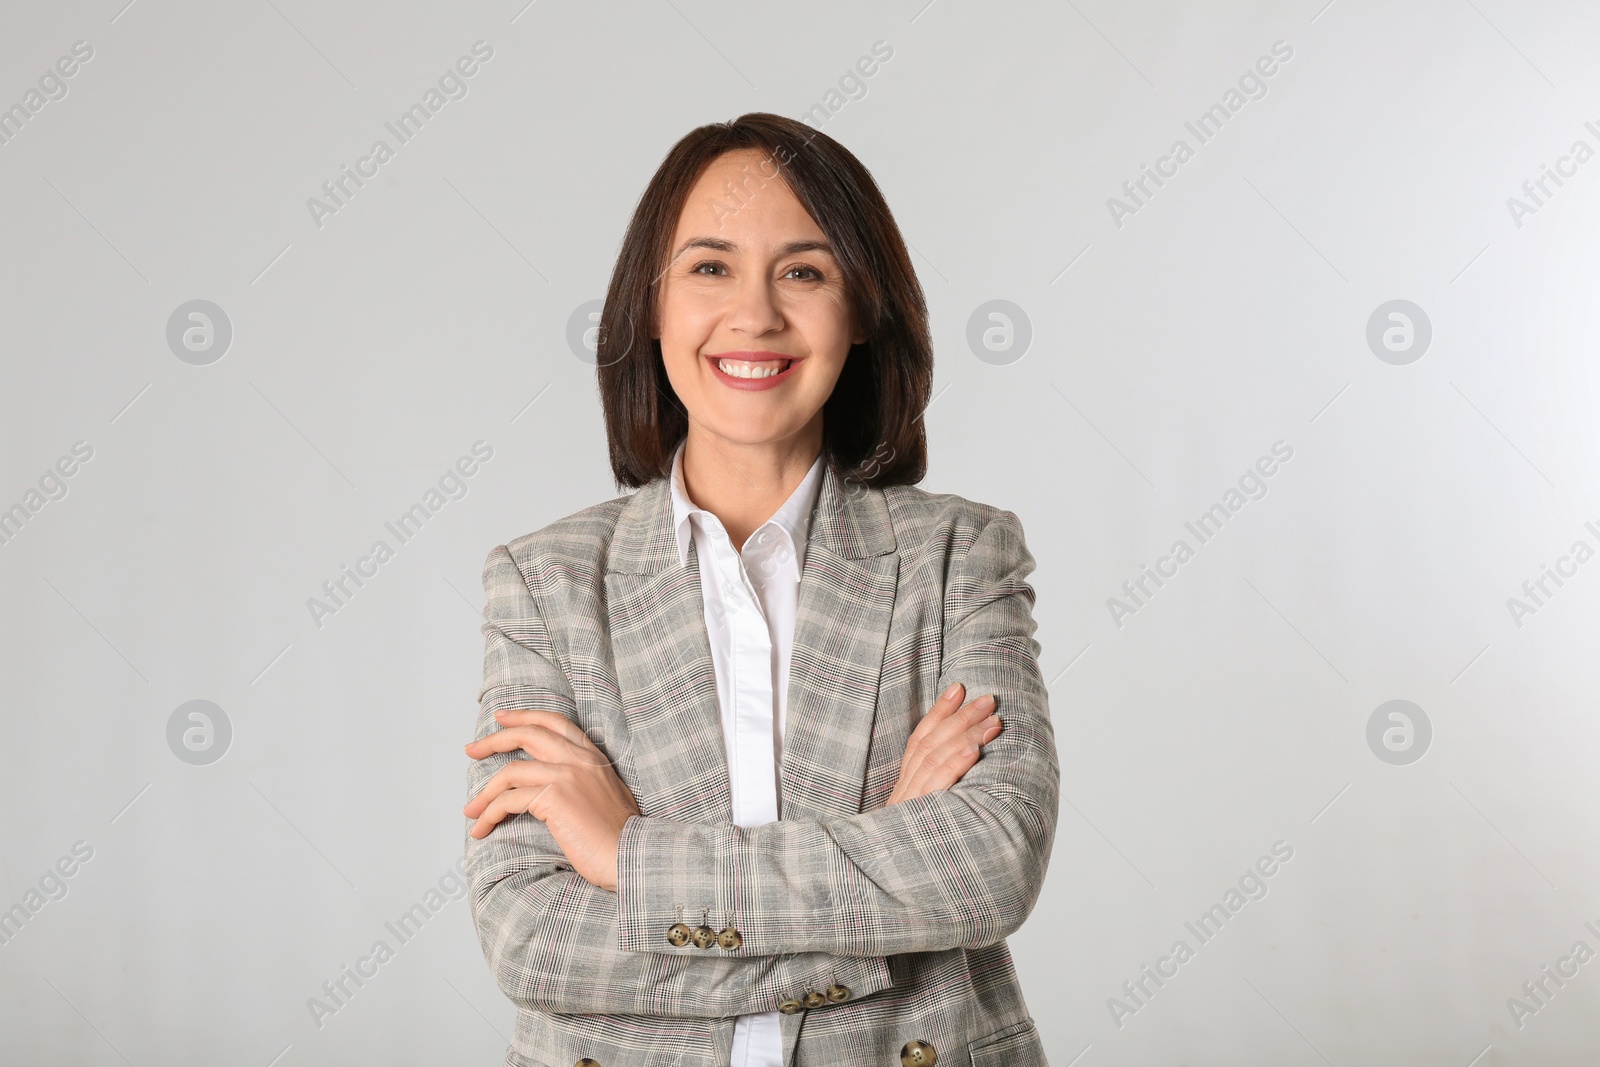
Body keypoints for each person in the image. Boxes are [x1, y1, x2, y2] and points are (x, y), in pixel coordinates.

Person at [462, 112, 1059, 1067]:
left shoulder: (962, 555)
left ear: (861, 309)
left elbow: (988, 865)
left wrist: (628, 860)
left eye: (805, 271)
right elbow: (534, 936)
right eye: (709, 267)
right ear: (650, 307)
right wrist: (887, 886)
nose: (756, 315)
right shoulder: (544, 583)